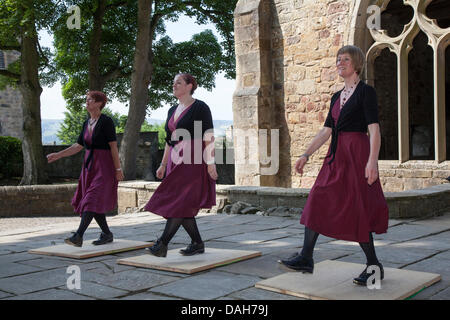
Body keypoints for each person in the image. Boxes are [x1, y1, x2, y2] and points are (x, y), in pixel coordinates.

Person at [279, 45, 389, 286]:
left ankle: (374, 265)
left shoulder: (366, 92)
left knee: (357, 208)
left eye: (345, 59)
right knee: (317, 197)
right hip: (336, 156)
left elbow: (374, 130)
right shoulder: (336, 97)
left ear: (357, 64)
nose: (340, 63)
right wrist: (305, 154)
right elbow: (327, 130)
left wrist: (372, 162)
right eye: (338, 59)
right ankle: (306, 256)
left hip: (357, 155)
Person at [144, 73, 218, 257]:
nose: (174, 85)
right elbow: (169, 141)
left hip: (193, 158)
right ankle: (197, 243)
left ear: (189, 86)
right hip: (174, 159)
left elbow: (208, 135)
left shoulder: (200, 107)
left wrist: (211, 163)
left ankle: (162, 244)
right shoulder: (171, 110)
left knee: (180, 201)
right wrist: (162, 164)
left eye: (178, 82)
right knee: (181, 203)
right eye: (173, 82)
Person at [47, 91, 124, 247]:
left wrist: (118, 169)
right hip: (89, 167)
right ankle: (107, 234)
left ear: (99, 103)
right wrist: (59, 155)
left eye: (90, 100)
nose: (87, 102)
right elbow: (78, 146)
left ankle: (78, 236)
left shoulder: (106, 121)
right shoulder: (86, 123)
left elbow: (113, 147)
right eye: (87, 99)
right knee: (93, 203)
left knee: (91, 199)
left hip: (104, 167)